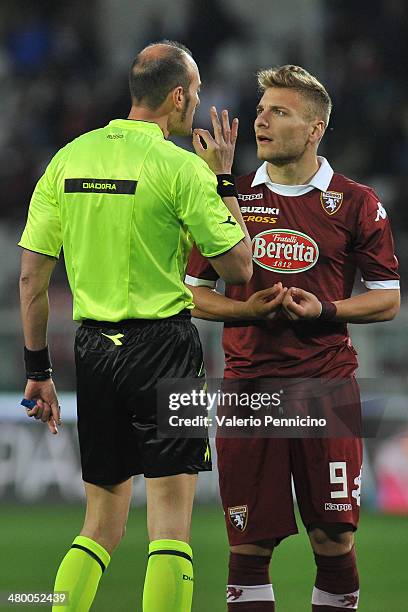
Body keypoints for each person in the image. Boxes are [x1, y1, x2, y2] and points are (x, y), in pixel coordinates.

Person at [18, 40, 252, 612]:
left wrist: (37, 371)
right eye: (195, 94)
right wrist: (223, 180)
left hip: (94, 350)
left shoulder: (69, 158)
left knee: (99, 523)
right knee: (170, 524)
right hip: (167, 350)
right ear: (177, 96)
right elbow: (239, 267)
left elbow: (31, 281)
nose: (196, 104)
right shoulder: (182, 168)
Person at [186, 65, 400, 611]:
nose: (261, 119)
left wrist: (326, 308)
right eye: (260, 110)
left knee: (334, 538)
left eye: (278, 111)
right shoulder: (227, 196)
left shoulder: (354, 202)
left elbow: (387, 297)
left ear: (314, 129)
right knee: (250, 542)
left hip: (324, 388)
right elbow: (190, 294)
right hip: (249, 388)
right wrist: (246, 312)